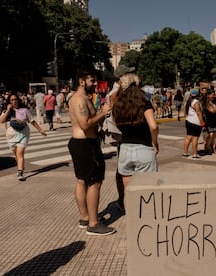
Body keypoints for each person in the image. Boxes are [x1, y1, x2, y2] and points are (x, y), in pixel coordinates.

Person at [68, 69, 115, 236]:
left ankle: (85, 217)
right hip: (86, 144)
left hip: (81, 143)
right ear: (82, 81)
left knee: (82, 180)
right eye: (92, 81)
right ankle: (94, 224)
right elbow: (85, 124)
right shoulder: (79, 100)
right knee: (94, 182)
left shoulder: (81, 98)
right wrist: (103, 113)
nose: (95, 84)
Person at [112, 73, 159, 212]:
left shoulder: (118, 104)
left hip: (125, 149)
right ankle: (144, 221)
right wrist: (155, 142)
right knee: (146, 191)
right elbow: (154, 126)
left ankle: (131, 223)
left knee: (128, 192)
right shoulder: (144, 103)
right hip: (143, 148)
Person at [0, 93, 47, 180]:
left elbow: (32, 121)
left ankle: (20, 172)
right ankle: (21, 166)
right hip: (11, 136)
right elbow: (1, 121)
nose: (14, 102)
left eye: (15, 99)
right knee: (16, 155)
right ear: (9, 102)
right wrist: (8, 110)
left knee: (20, 153)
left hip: (23, 134)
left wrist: (40, 130)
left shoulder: (24, 110)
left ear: (18, 100)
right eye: (12, 100)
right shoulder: (6, 112)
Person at [182, 89, 205, 159]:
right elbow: (198, 112)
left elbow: (185, 112)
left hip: (188, 121)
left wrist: (187, 117)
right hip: (195, 122)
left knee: (188, 137)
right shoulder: (196, 102)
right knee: (195, 138)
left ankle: (185, 153)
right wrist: (202, 123)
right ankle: (194, 154)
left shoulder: (188, 102)